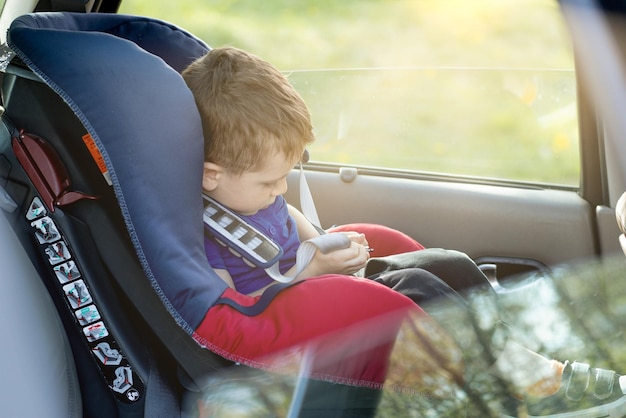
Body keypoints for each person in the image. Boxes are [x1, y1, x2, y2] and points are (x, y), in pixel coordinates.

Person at [182, 46, 626, 416]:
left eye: (286, 175)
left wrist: (320, 241)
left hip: (325, 288)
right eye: (269, 181)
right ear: (211, 175)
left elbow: (288, 217)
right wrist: (310, 270)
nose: (280, 189)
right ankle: (529, 384)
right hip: (293, 328)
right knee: (416, 285)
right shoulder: (208, 235)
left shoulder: (249, 193)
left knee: (447, 264)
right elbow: (230, 313)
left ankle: (520, 362)